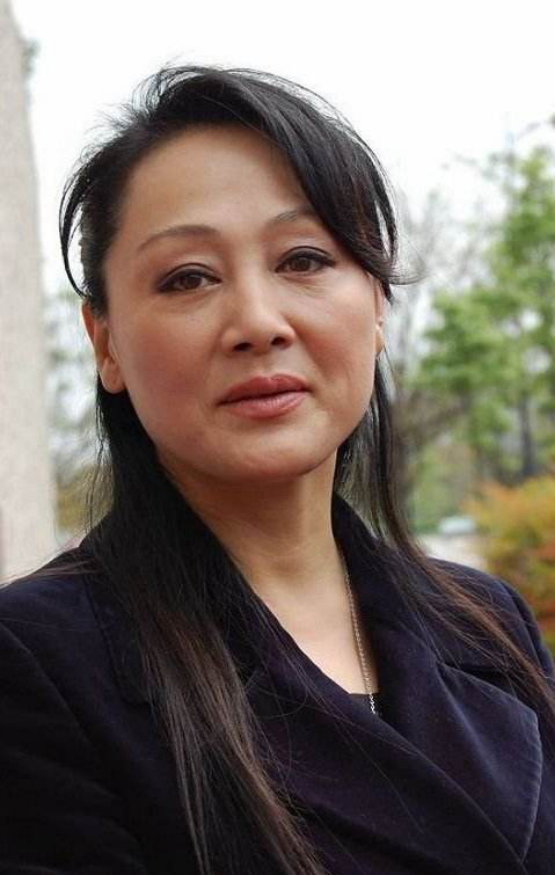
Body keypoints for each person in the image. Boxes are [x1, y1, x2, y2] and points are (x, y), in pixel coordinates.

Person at [0, 64, 553, 876]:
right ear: (105, 342)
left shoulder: (487, 621)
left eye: (303, 259)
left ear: (377, 307)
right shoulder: (38, 661)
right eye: (188, 277)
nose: (258, 323)